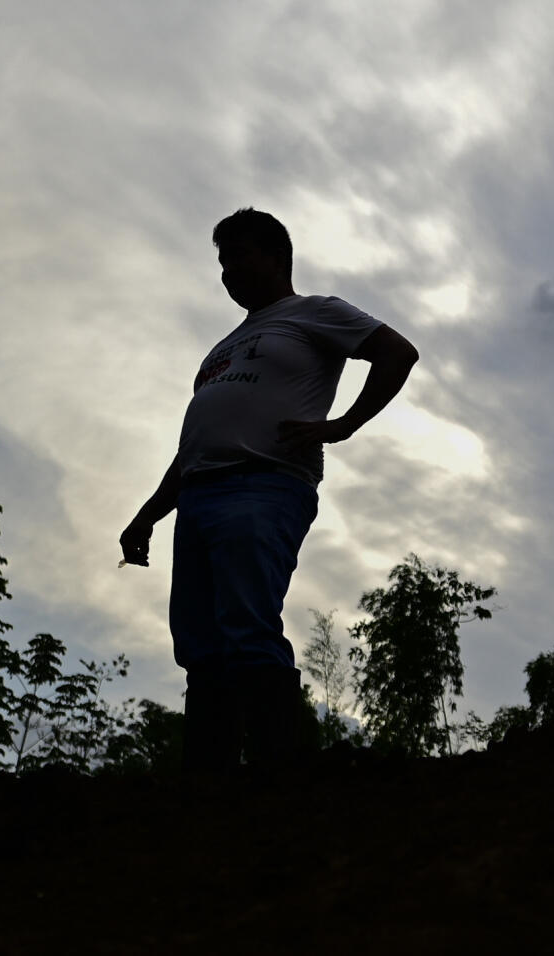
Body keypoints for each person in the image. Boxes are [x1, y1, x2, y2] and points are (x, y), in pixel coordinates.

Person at [119, 207, 418, 774]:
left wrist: (343, 424)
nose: (229, 272)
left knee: (247, 625)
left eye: (239, 256)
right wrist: (148, 514)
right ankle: (209, 776)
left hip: (264, 485)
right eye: (222, 262)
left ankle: (282, 772)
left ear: (275, 257)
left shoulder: (315, 313)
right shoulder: (222, 348)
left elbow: (398, 353)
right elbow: (196, 443)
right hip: (200, 495)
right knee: (200, 643)